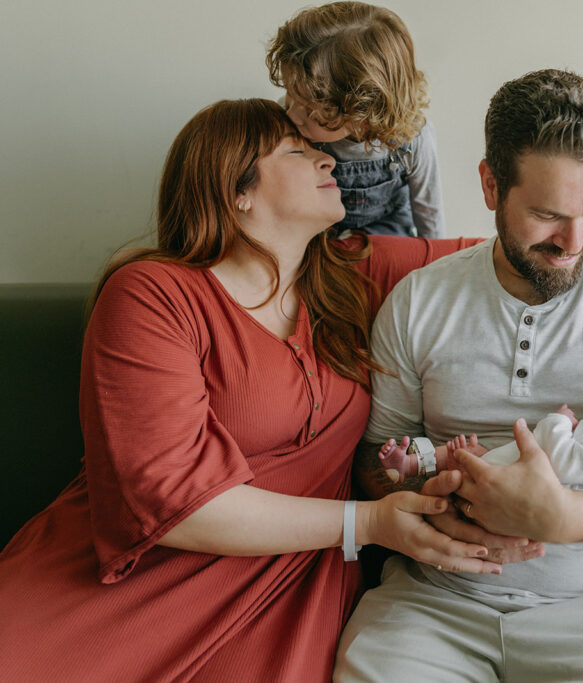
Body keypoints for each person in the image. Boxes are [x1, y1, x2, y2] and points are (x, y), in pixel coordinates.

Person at [0, 98, 497, 682]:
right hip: (126, 588)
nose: (328, 162)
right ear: (238, 190)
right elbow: (174, 503)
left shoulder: (357, 274)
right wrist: (366, 525)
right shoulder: (152, 294)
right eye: (298, 151)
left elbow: (505, 255)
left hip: (287, 595)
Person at [335, 70, 583, 682]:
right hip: (435, 604)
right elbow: (373, 458)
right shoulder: (420, 301)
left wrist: (574, 519)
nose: (574, 242)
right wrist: (425, 510)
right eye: (548, 216)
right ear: (491, 185)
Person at [267, 1, 445, 238]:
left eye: (311, 111)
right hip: (319, 233)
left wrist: (435, 264)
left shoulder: (413, 141)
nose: (291, 115)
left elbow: (429, 216)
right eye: (290, 94)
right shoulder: (288, 122)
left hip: (387, 233)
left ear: (364, 114)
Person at [378, 376, 583, 485]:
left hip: (513, 482)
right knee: (462, 455)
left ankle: (410, 466)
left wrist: (559, 421)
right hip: (512, 469)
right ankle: (410, 465)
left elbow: (562, 461)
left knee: (459, 460)